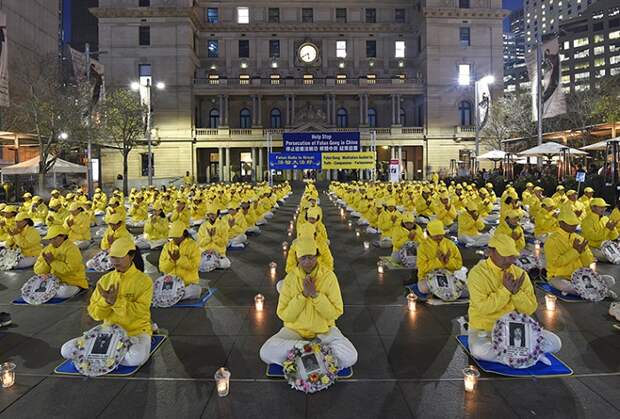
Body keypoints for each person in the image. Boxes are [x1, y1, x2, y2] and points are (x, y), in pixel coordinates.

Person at [259, 239, 358, 369]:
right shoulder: (290, 279)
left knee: (351, 355)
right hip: (295, 332)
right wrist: (303, 296)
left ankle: (304, 354)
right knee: (266, 352)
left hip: (324, 332)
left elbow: (335, 312)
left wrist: (315, 295)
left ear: (317, 256)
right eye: (303, 258)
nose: (307, 262)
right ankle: (314, 352)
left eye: (311, 257)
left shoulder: (329, 277)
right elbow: (285, 315)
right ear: (297, 258)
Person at [467, 233, 562, 365]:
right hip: (485, 328)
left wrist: (517, 293)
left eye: (511, 255)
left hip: (515, 329)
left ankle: (518, 355)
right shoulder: (477, 273)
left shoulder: (519, 273)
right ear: (490, 252)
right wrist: (506, 291)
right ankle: (529, 355)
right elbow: (484, 308)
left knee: (555, 342)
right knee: (479, 350)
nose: (508, 260)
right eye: (504, 255)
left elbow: (530, 308)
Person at [61, 237, 153, 367]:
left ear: (131, 256)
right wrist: (106, 303)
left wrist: (116, 302)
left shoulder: (144, 281)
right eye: (112, 257)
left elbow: (140, 312)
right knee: (66, 350)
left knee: (136, 358)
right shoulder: (105, 280)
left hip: (135, 331)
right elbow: (95, 314)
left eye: (120, 257)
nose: (115, 261)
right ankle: (112, 354)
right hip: (110, 332)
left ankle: (106, 355)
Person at [545, 210, 615, 297]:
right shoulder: (551, 241)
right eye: (571, 224)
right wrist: (575, 251)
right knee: (565, 285)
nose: (574, 226)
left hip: (581, 276)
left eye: (575, 224)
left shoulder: (579, 238)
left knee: (610, 280)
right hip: (560, 276)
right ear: (561, 223)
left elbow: (588, 262)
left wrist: (583, 252)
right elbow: (556, 262)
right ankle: (598, 291)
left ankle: (586, 290)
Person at [34, 225, 88, 299]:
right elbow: (37, 270)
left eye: (55, 238)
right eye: (50, 239)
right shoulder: (47, 250)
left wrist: (53, 262)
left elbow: (70, 270)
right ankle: (49, 292)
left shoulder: (72, 249)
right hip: (54, 281)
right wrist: (46, 263)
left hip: (72, 282)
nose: (52, 241)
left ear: (63, 236)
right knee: (34, 287)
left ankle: (78, 288)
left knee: (64, 291)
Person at [415, 220, 466, 294]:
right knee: (423, 289)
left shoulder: (450, 244)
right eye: (436, 235)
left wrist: (447, 261)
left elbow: (459, 264)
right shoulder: (423, 247)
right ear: (428, 234)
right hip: (429, 277)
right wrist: (438, 261)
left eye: (441, 234)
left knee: (466, 289)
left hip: (448, 276)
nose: (439, 237)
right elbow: (422, 267)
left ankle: (442, 292)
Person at [159, 221, 202, 300]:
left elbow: (194, 266)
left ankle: (170, 298)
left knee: (196, 290)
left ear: (184, 234)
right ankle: (174, 297)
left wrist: (179, 259)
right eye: (173, 237)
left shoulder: (193, 245)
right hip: (170, 284)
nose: (174, 239)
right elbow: (162, 268)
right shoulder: (167, 246)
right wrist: (172, 261)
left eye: (177, 237)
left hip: (187, 284)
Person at [580, 198, 619, 262]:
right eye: (601, 207)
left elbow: (614, 237)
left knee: (616, 255)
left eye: (604, 207)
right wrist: (607, 229)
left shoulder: (606, 218)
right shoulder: (586, 221)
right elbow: (594, 237)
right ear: (593, 208)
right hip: (592, 247)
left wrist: (612, 230)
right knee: (609, 258)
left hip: (606, 246)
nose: (603, 209)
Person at [197, 205, 231, 269]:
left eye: (213, 214)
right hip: (205, 253)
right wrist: (208, 237)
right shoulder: (203, 226)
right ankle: (210, 264)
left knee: (227, 264)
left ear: (217, 214)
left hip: (218, 253)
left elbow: (225, 243)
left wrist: (215, 237)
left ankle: (210, 264)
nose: (212, 216)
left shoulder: (223, 225)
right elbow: (199, 243)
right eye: (210, 214)